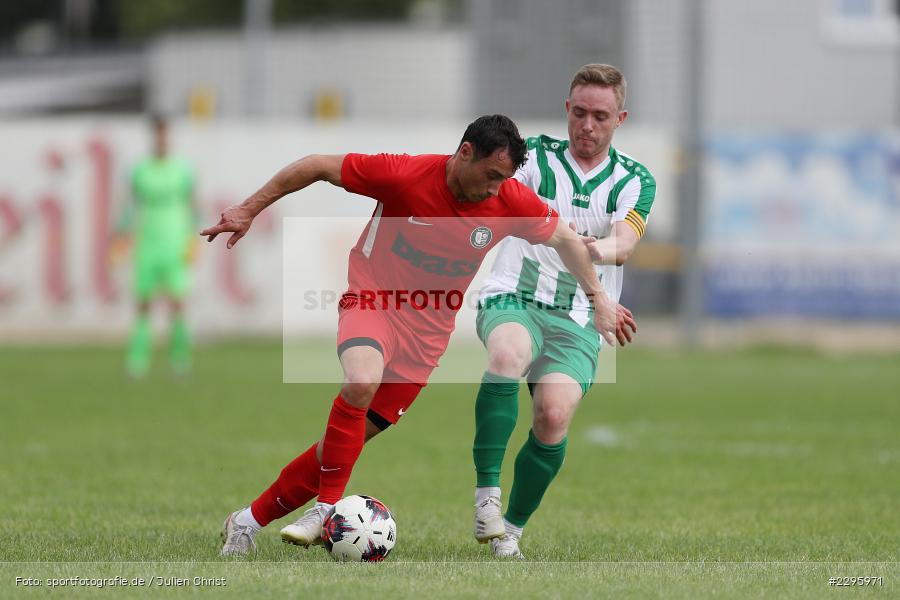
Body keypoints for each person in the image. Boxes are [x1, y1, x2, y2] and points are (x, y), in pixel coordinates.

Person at [203, 114, 620, 556]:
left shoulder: (508, 198)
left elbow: (565, 239)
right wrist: (250, 207)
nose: (496, 189)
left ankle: (245, 521)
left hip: (425, 341)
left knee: (340, 446)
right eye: (491, 175)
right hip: (374, 302)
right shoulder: (403, 174)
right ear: (465, 153)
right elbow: (317, 165)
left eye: (504, 180)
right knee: (361, 381)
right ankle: (325, 509)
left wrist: (597, 296)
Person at [470, 64, 655, 559]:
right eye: (579, 112)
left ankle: (510, 530)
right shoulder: (533, 157)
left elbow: (625, 242)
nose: (587, 125)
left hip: (578, 314)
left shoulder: (634, 179)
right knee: (507, 355)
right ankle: (486, 497)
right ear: (566, 110)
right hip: (514, 296)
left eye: (599, 115)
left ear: (620, 118)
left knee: (552, 416)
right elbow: (495, 193)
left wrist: (589, 254)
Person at [112, 115, 197, 378]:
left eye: (165, 134)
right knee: (143, 303)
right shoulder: (140, 170)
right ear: (153, 137)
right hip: (147, 243)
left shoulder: (182, 170)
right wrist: (121, 236)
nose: (162, 139)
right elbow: (128, 207)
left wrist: (193, 240)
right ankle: (138, 361)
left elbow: (193, 206)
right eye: (158, 134)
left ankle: (179, 360)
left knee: (178, 303)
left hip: (174, 243)